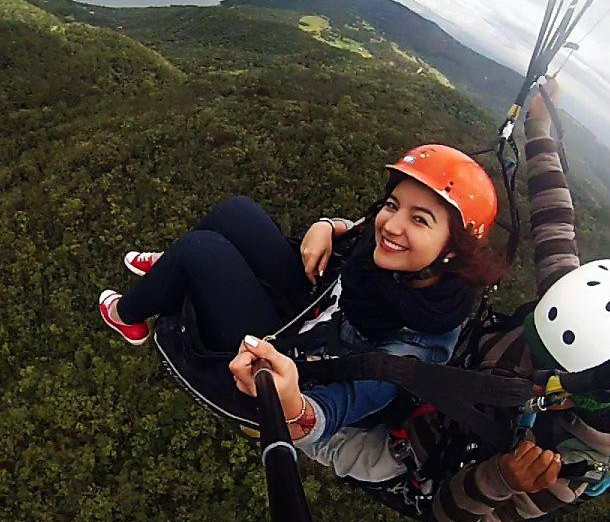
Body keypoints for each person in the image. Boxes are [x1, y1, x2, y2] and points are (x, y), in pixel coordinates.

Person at [230, 78, 610, 522]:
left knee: (319, 429)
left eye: (544, 356)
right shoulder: (578, 304)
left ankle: (265, 413)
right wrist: (540, 124)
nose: (532, 352)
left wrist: (501, 478)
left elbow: (452, 519)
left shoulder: (564, 466)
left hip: (412, 453)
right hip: (431, 370)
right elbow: (553, 215)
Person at [99, 144, 504, 434]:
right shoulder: (398, 256)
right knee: (236, 212)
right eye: (393, 205)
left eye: (421, 220)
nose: (393, 225)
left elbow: (338, 406)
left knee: (201, 252)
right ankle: (172, 272)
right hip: (316, 307)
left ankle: (127, 317)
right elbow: (364, 225)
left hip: (296, 363)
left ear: (454, 249)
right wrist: (329, 226)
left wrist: (292, 404)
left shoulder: (423, 340)